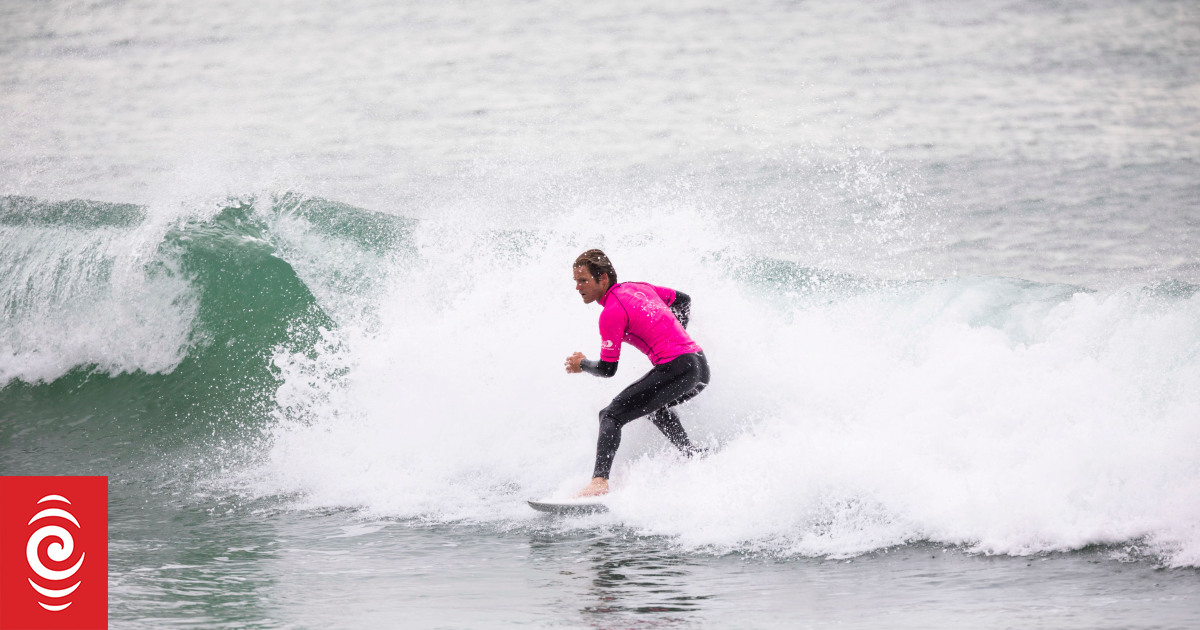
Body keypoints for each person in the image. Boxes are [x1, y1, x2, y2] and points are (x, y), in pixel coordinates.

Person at [564, 249, 710, 497]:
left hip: (678, 367)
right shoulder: (638, 288)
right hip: (699, 367)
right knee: (656, 408)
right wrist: (678, 336)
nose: (578, 287)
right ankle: (692, 455)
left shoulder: (611, 312)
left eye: (583, 280)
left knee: (610, 415)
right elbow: (684, 301)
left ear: (603, 278)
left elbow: (607, 369)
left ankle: (599, 482)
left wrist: (582, 364)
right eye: (576, 281)